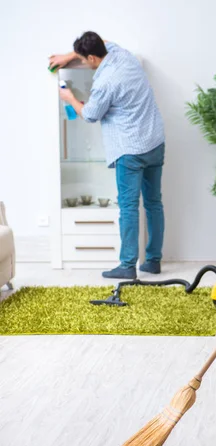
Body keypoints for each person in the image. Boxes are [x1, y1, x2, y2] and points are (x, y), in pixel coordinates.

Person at [49, 31, 165, 279]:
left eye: (81, 59)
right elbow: (105, 39)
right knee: (154, 202)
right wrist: (68, 55)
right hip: (155, 141)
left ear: (92, 57)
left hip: (130, 149)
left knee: (129, 207)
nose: (81, 62)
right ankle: (153, 261)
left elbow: (90, 114)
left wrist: (70, 97)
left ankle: (126, 266)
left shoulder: (105, 82)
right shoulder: (123, 55)